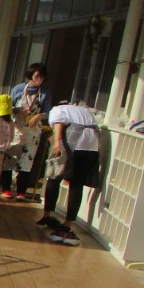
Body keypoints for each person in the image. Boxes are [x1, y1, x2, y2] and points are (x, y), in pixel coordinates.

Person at [37, 103, 101, 246]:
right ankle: (67, 224)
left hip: (75, 142)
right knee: (77, 184)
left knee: (54, 176)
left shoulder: (56, 109)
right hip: (92, 144)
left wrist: (56, 142)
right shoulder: (83, 110)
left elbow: (58, 124)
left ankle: (47, 215)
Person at [10, 63, 53, 201]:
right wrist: (16, 110)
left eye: (42, 77)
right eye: (37, 76)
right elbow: (9, 106)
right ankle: (6, 188)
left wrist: (40, 115)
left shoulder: (45, 92)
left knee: (27, 160)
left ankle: (21, 192)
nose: (39, 79)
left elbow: (49, 112)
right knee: (11, 156)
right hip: (16, 127)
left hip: (33, 130)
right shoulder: (18, 89)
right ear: (30, 75)